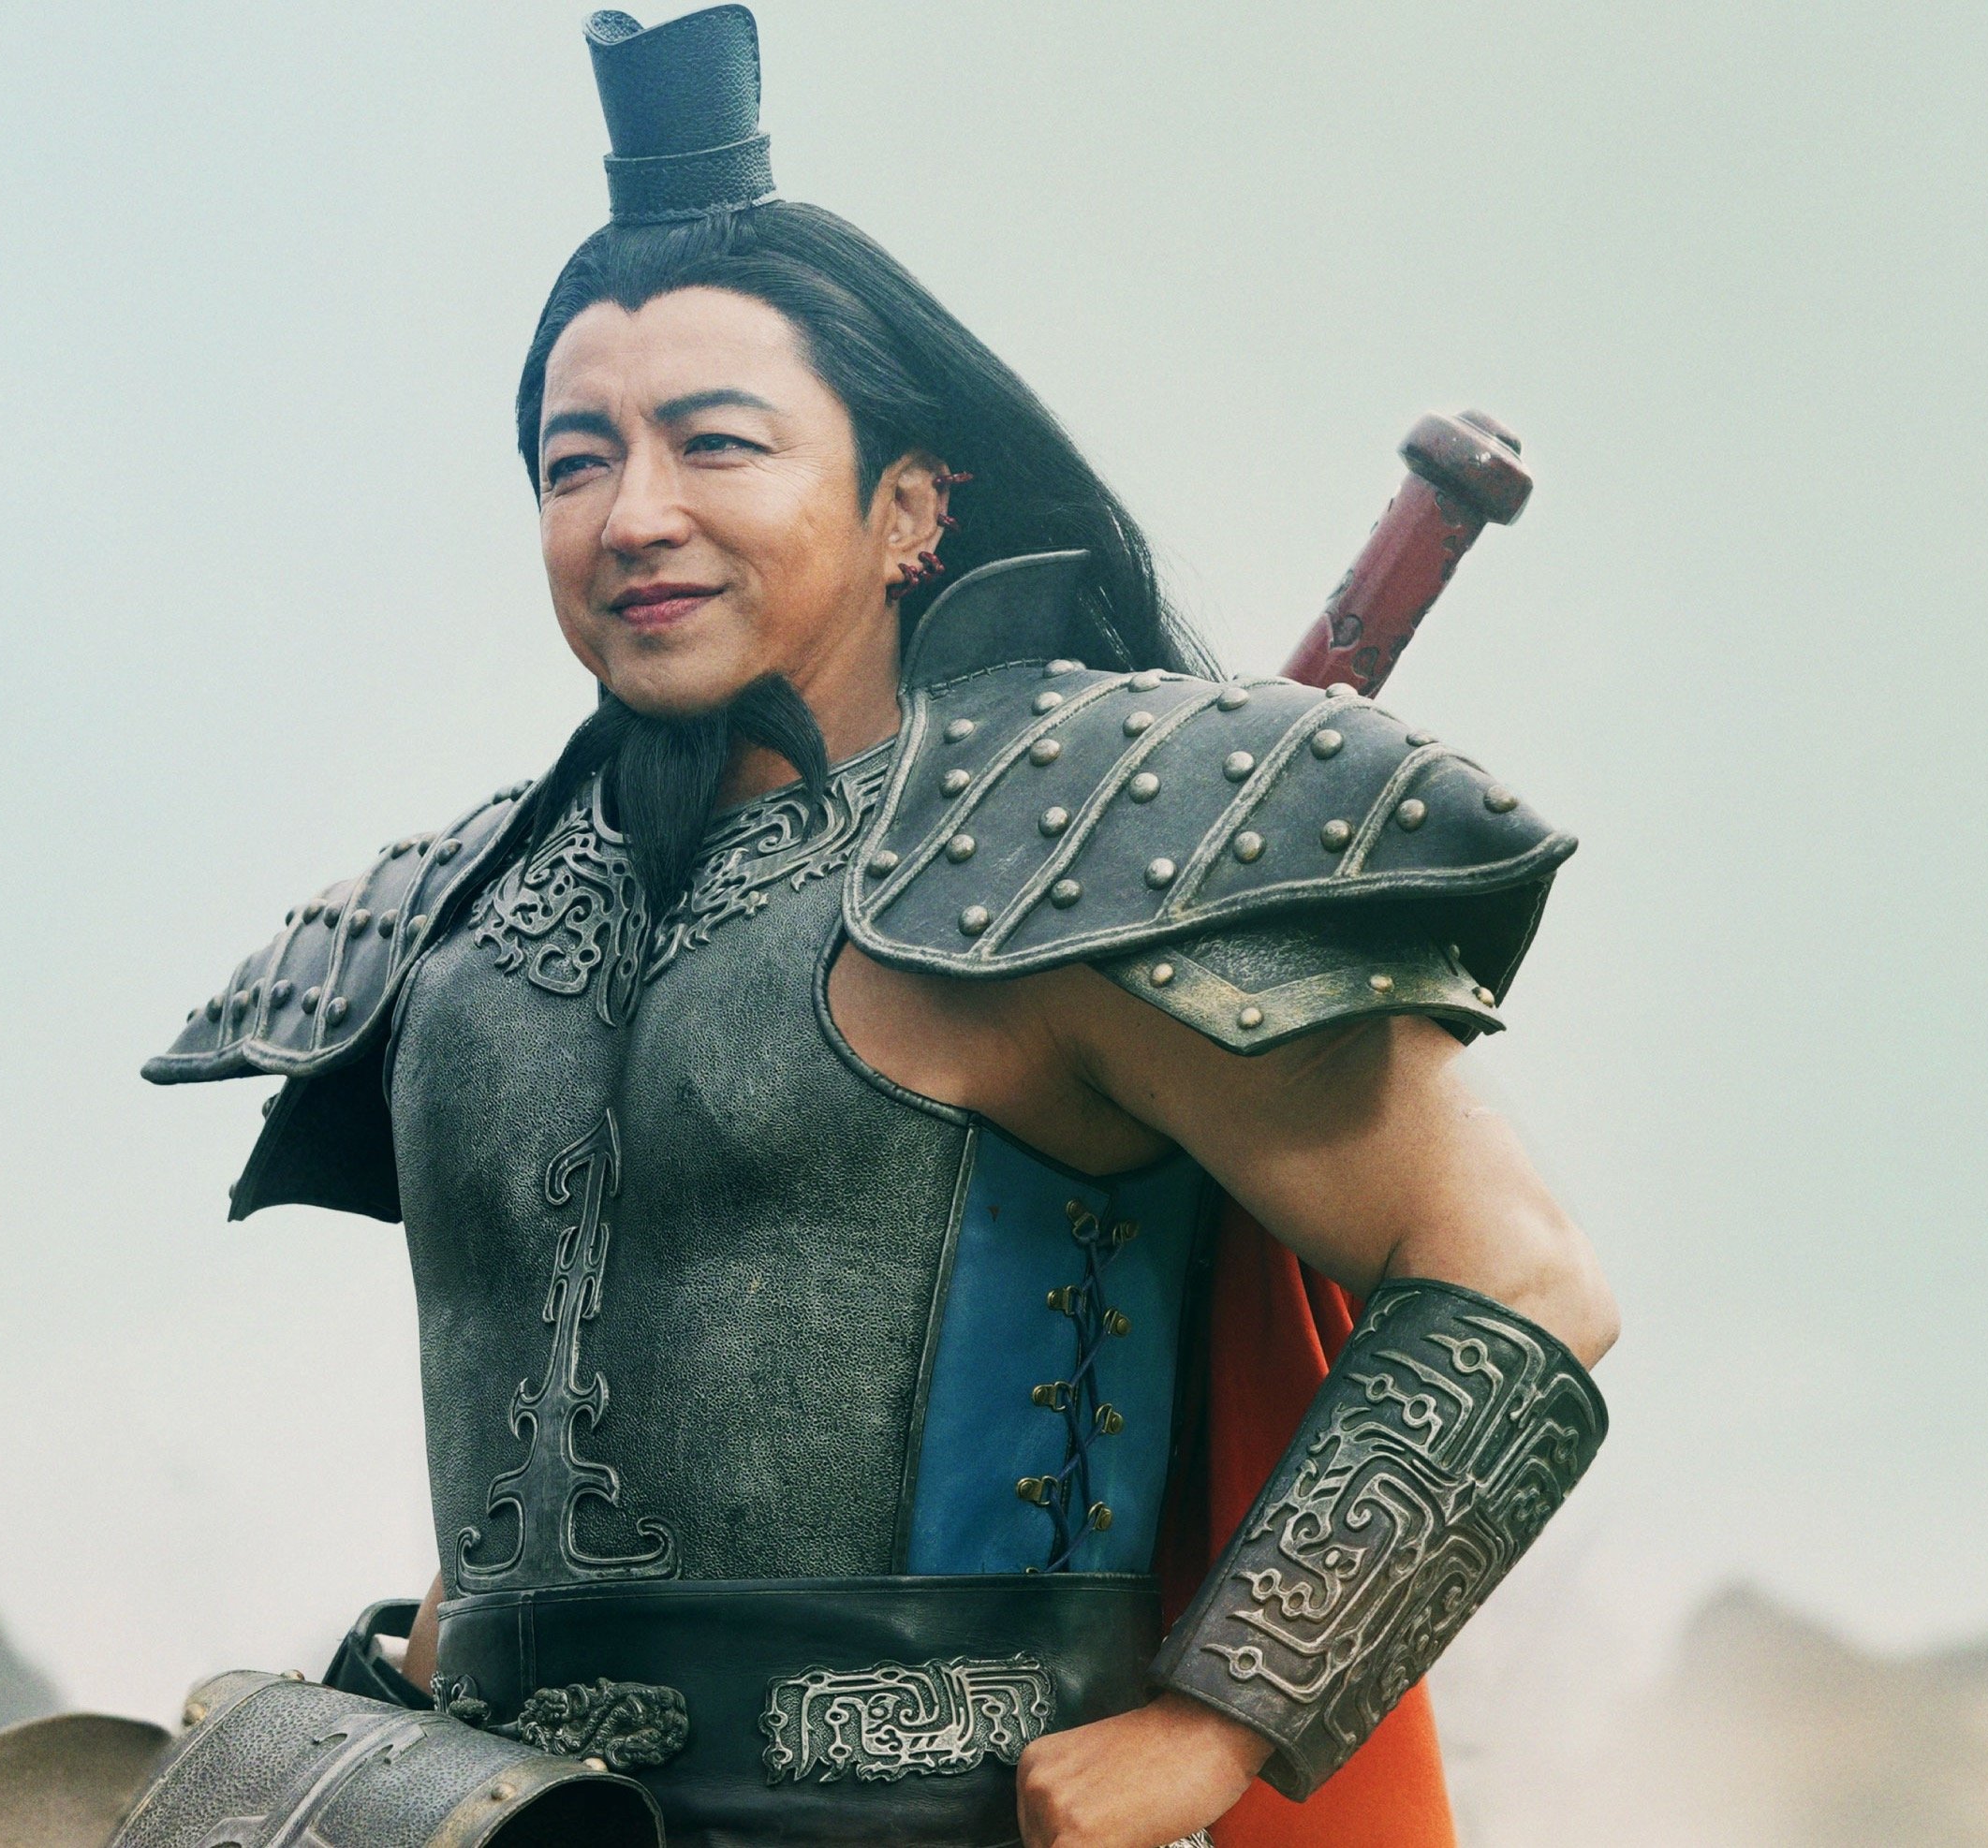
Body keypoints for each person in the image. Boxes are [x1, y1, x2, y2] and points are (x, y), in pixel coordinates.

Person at [145, 9, 1616, 1846]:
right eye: (575, 459)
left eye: (716, 442)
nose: (635, 514)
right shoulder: (460, 932)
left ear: (909, 505)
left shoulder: (1067, 856)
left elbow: (1517, 1276)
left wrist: (1218, 1718)